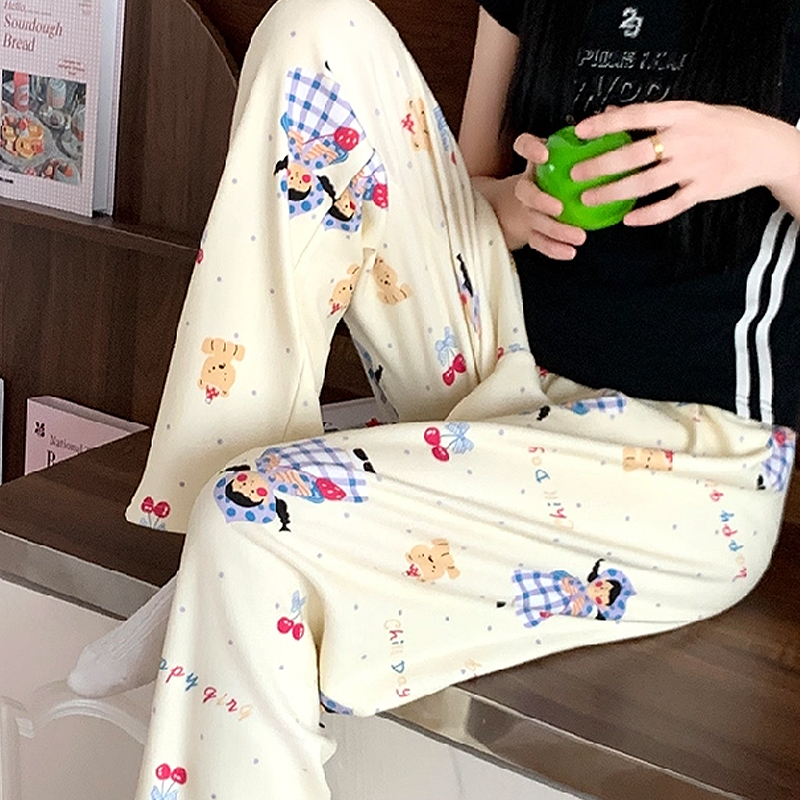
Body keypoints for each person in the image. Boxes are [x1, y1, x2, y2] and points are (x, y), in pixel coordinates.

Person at [67, 1, 799, 798]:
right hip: (497, 371)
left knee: (249, 518)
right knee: (317, 22)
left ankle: (207, 579)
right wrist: (514, 205)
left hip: (687, 462)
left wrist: (769, 149)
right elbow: (462, 194)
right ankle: (203, 541)